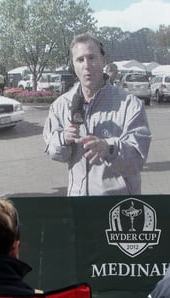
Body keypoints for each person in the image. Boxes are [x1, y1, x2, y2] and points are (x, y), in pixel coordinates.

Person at [43, 33, 151, 195]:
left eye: (92, 57)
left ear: (103, 60)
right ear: (73, 65)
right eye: (80, 60)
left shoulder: (129, 104)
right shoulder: (60, 105)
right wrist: (64, 139)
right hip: (78, 203)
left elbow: (137, 159)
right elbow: (54, 152)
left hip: (118, 207)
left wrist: (109, 148)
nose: (87, 65)